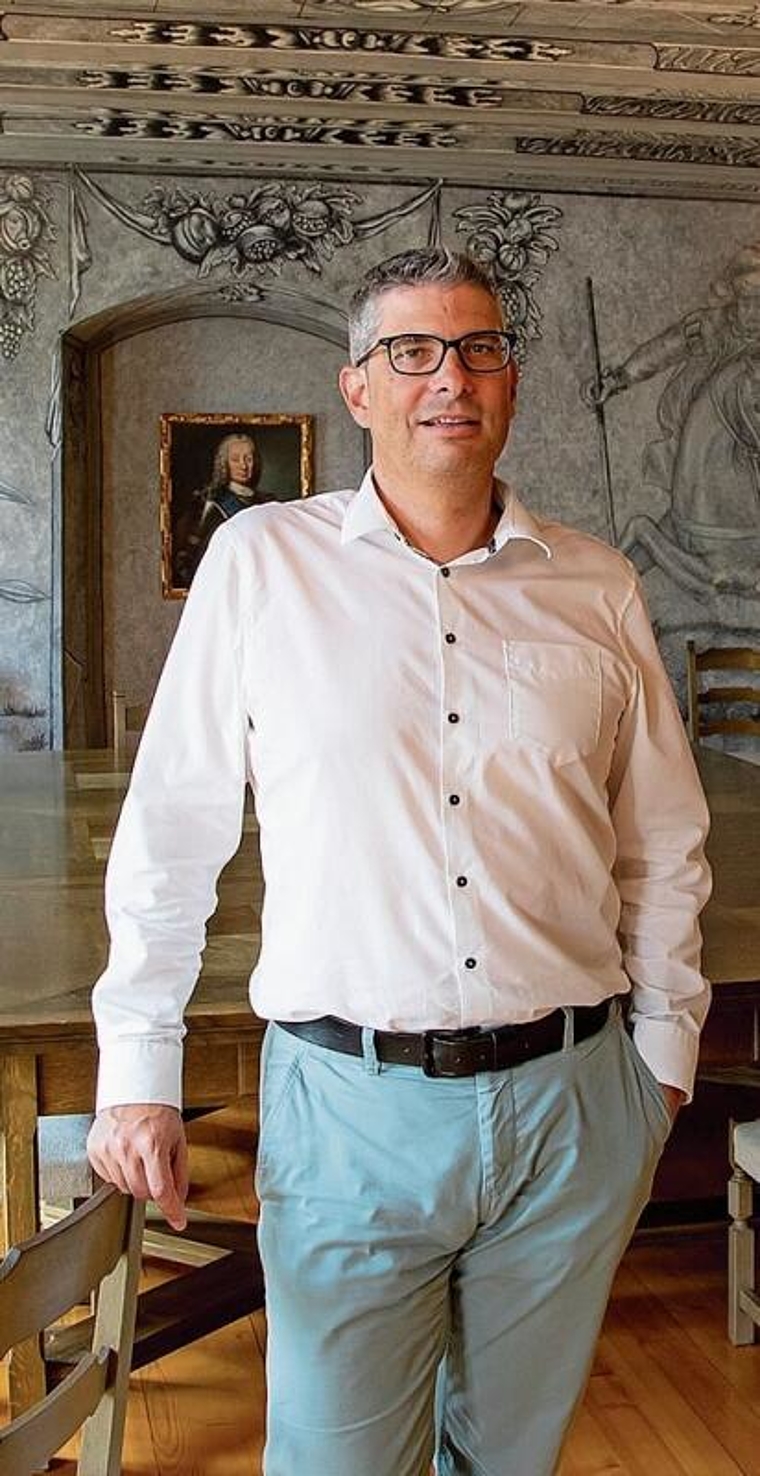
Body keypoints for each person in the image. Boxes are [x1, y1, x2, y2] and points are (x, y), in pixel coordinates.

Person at [88, 247, 711, 1476]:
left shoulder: (595, 585)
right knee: (336, 1459)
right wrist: (137, 1072)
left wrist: (661, 1071)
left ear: (510, 382)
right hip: (348, 1108)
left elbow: (662, 841)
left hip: (575, 1105)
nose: (450, 377)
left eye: (478, 348)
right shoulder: (264, 563)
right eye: (412, 352)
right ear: (357, 388)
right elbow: (173, 827)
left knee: (508, 1459)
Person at [173, 430, 269, 586]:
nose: (243, 465)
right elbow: (193, 557)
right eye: (235, 459)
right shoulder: (212, 503)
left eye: (249, 459)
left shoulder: (266, 502)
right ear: (224, 463)